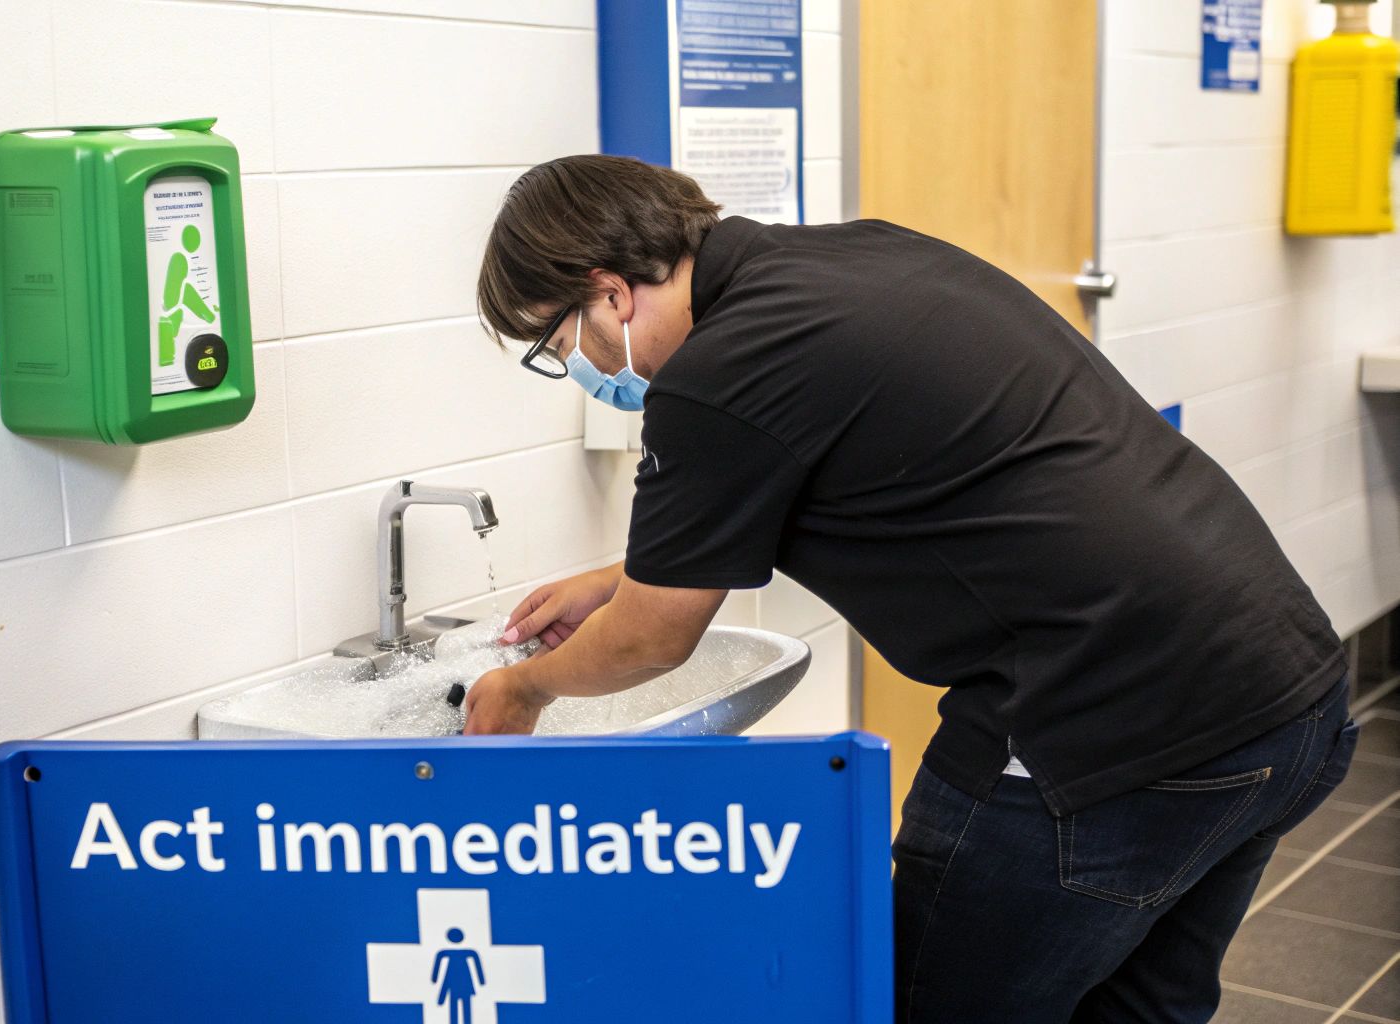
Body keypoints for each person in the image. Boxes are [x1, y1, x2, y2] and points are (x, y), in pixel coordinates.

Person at [464, 154, 1361, 1023]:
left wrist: (523, 686)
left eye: (557, 341)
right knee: (1141, 1008)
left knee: (932, 1003)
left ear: (611, 291)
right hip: (1287, 690)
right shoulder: (857, 254)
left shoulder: (715, 377)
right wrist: (621, 578)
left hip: (1110, 728)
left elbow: (656, 638)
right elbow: (848, 471)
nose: (573, 365)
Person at [431, 927, 484, 1024]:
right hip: (455, 985)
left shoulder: (467, 952)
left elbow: (476, 961)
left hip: (464, 985)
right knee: (455, 1007)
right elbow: (438, 961)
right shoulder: (447, 953)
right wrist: (434, 977)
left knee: (464, 1007)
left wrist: (481, 980)